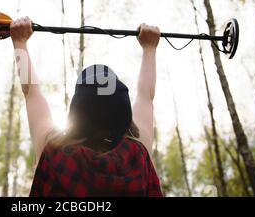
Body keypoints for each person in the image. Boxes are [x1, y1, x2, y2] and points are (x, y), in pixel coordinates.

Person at [10, 16, 163, 197]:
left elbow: (31, 92)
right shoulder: (138, 155)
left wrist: (19, 42)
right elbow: (146, 96)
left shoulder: (55, 151)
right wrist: (149, 48)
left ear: (77, 113)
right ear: (124, 116)